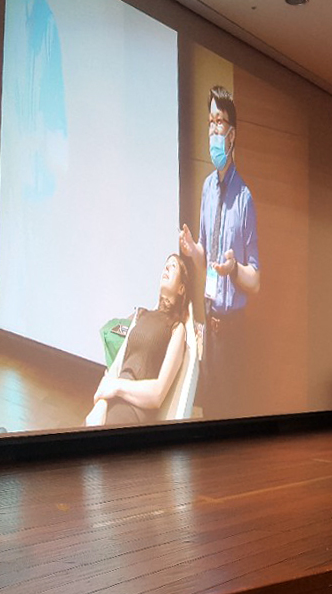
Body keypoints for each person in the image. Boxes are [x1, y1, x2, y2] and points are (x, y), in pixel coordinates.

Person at [180, 85, 260, 419]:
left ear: (232, 134)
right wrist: (192, 250)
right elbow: (205, 258)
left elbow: (255, 279)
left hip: (233, 329)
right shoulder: (207, 189)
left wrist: (234, 269)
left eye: (220, 122)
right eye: (210, 122)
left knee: (230, 413)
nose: (214, 130)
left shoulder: (245, 198)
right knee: (208, 411)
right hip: (208, 319)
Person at [86, 254, 190, 426]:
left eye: (173, 266)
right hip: (113, 399)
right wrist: (102, 403)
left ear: (181, 288)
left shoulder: (176, 328)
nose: (166, 268)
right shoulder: (141, 315)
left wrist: (117, 387)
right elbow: (116, 367)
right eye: (166, 264)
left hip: (134, 409)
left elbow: (157, 395)